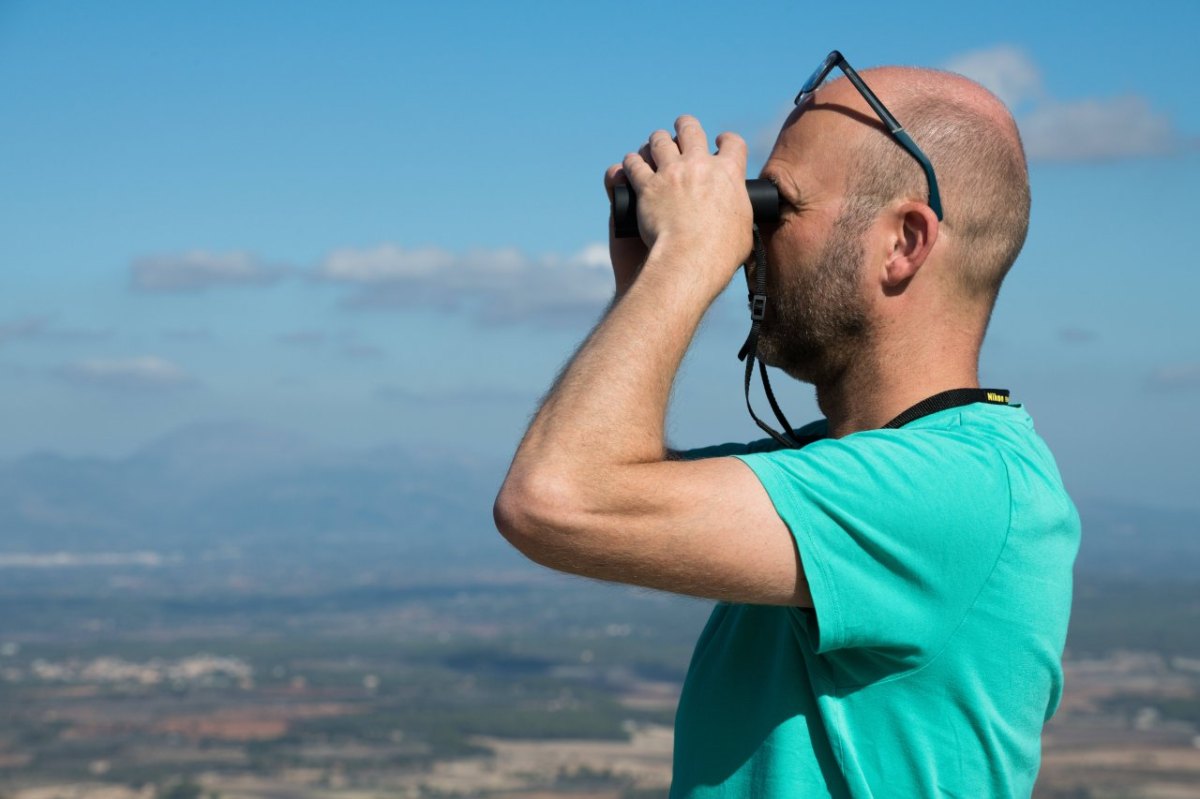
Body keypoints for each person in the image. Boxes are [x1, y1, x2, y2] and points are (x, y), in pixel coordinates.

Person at [493, 53, 1080, 798]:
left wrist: (684, 261)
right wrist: (642, 286)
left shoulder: (964, 490)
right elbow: (606, 475)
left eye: (779, 206)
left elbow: (555, 497)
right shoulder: (842, 470)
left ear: (904, 242)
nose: (750, 240)